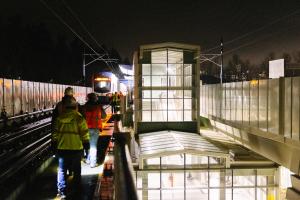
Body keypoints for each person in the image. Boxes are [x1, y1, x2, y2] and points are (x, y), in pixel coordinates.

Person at [52, 96, 90, 199]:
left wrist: (54, 145)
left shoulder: (59, 119)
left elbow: (54, 134)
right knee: (77, 170)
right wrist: (86, 145)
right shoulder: (79, 118)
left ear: (64, 107)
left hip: (62, 148)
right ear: (75, 106)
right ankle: (76, 189)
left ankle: (61, 192)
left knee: (61, 170)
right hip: (76, 148)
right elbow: (85, 134)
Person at [83, 93, 102, 168]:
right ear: (95, 99)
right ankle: (93, 163)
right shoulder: (98, 107)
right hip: (95, 128)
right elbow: (104, 115)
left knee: (87, 145)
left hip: (85, 128)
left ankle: (88, 160)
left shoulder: (84, 107)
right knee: (93, 146)